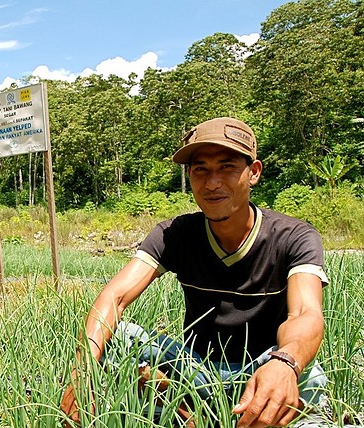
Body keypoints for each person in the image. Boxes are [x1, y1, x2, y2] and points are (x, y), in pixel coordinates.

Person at [60, 117, 329, 427]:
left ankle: (235, 409)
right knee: (117, 337)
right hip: (196, 367)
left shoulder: (293, 237)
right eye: (200, 170)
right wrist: (81, 375)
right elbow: (114, 297)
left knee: (308, 371)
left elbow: (305, 313)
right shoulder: (175, 234)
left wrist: (284, 363)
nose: (212, 183)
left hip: (260, 368)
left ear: (253, 172)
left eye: (227, 167)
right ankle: (184, 405)